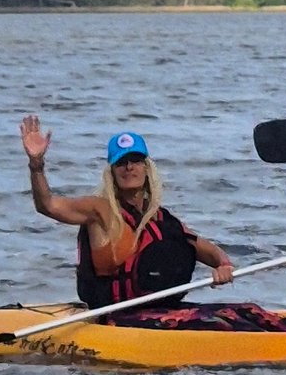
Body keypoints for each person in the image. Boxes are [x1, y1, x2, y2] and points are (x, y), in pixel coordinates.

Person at [19, 118, 235, 308]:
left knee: (249, 314)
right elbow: (47, 205)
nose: (129, 167)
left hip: (159, 312)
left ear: (146, 168)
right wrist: (36, 165)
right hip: (114, 316)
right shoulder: (99, 210)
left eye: (135, 160)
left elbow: (207, 250)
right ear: (112, 172)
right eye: (121, 162)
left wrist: (223, 266)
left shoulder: (161, 219)